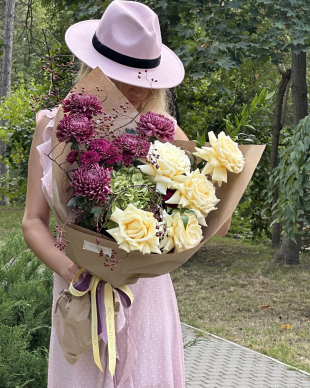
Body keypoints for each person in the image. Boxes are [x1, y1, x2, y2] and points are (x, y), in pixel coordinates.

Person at [23, 1, 230, 387]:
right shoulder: (53, 126)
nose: (135, 89)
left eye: (144, 78)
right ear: (93, 66)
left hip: (144, 297)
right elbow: (33, 221)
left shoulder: (164, 131)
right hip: (80, 296)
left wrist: (215, 178)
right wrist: (73, 271)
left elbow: (217, 224)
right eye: (122, 76)